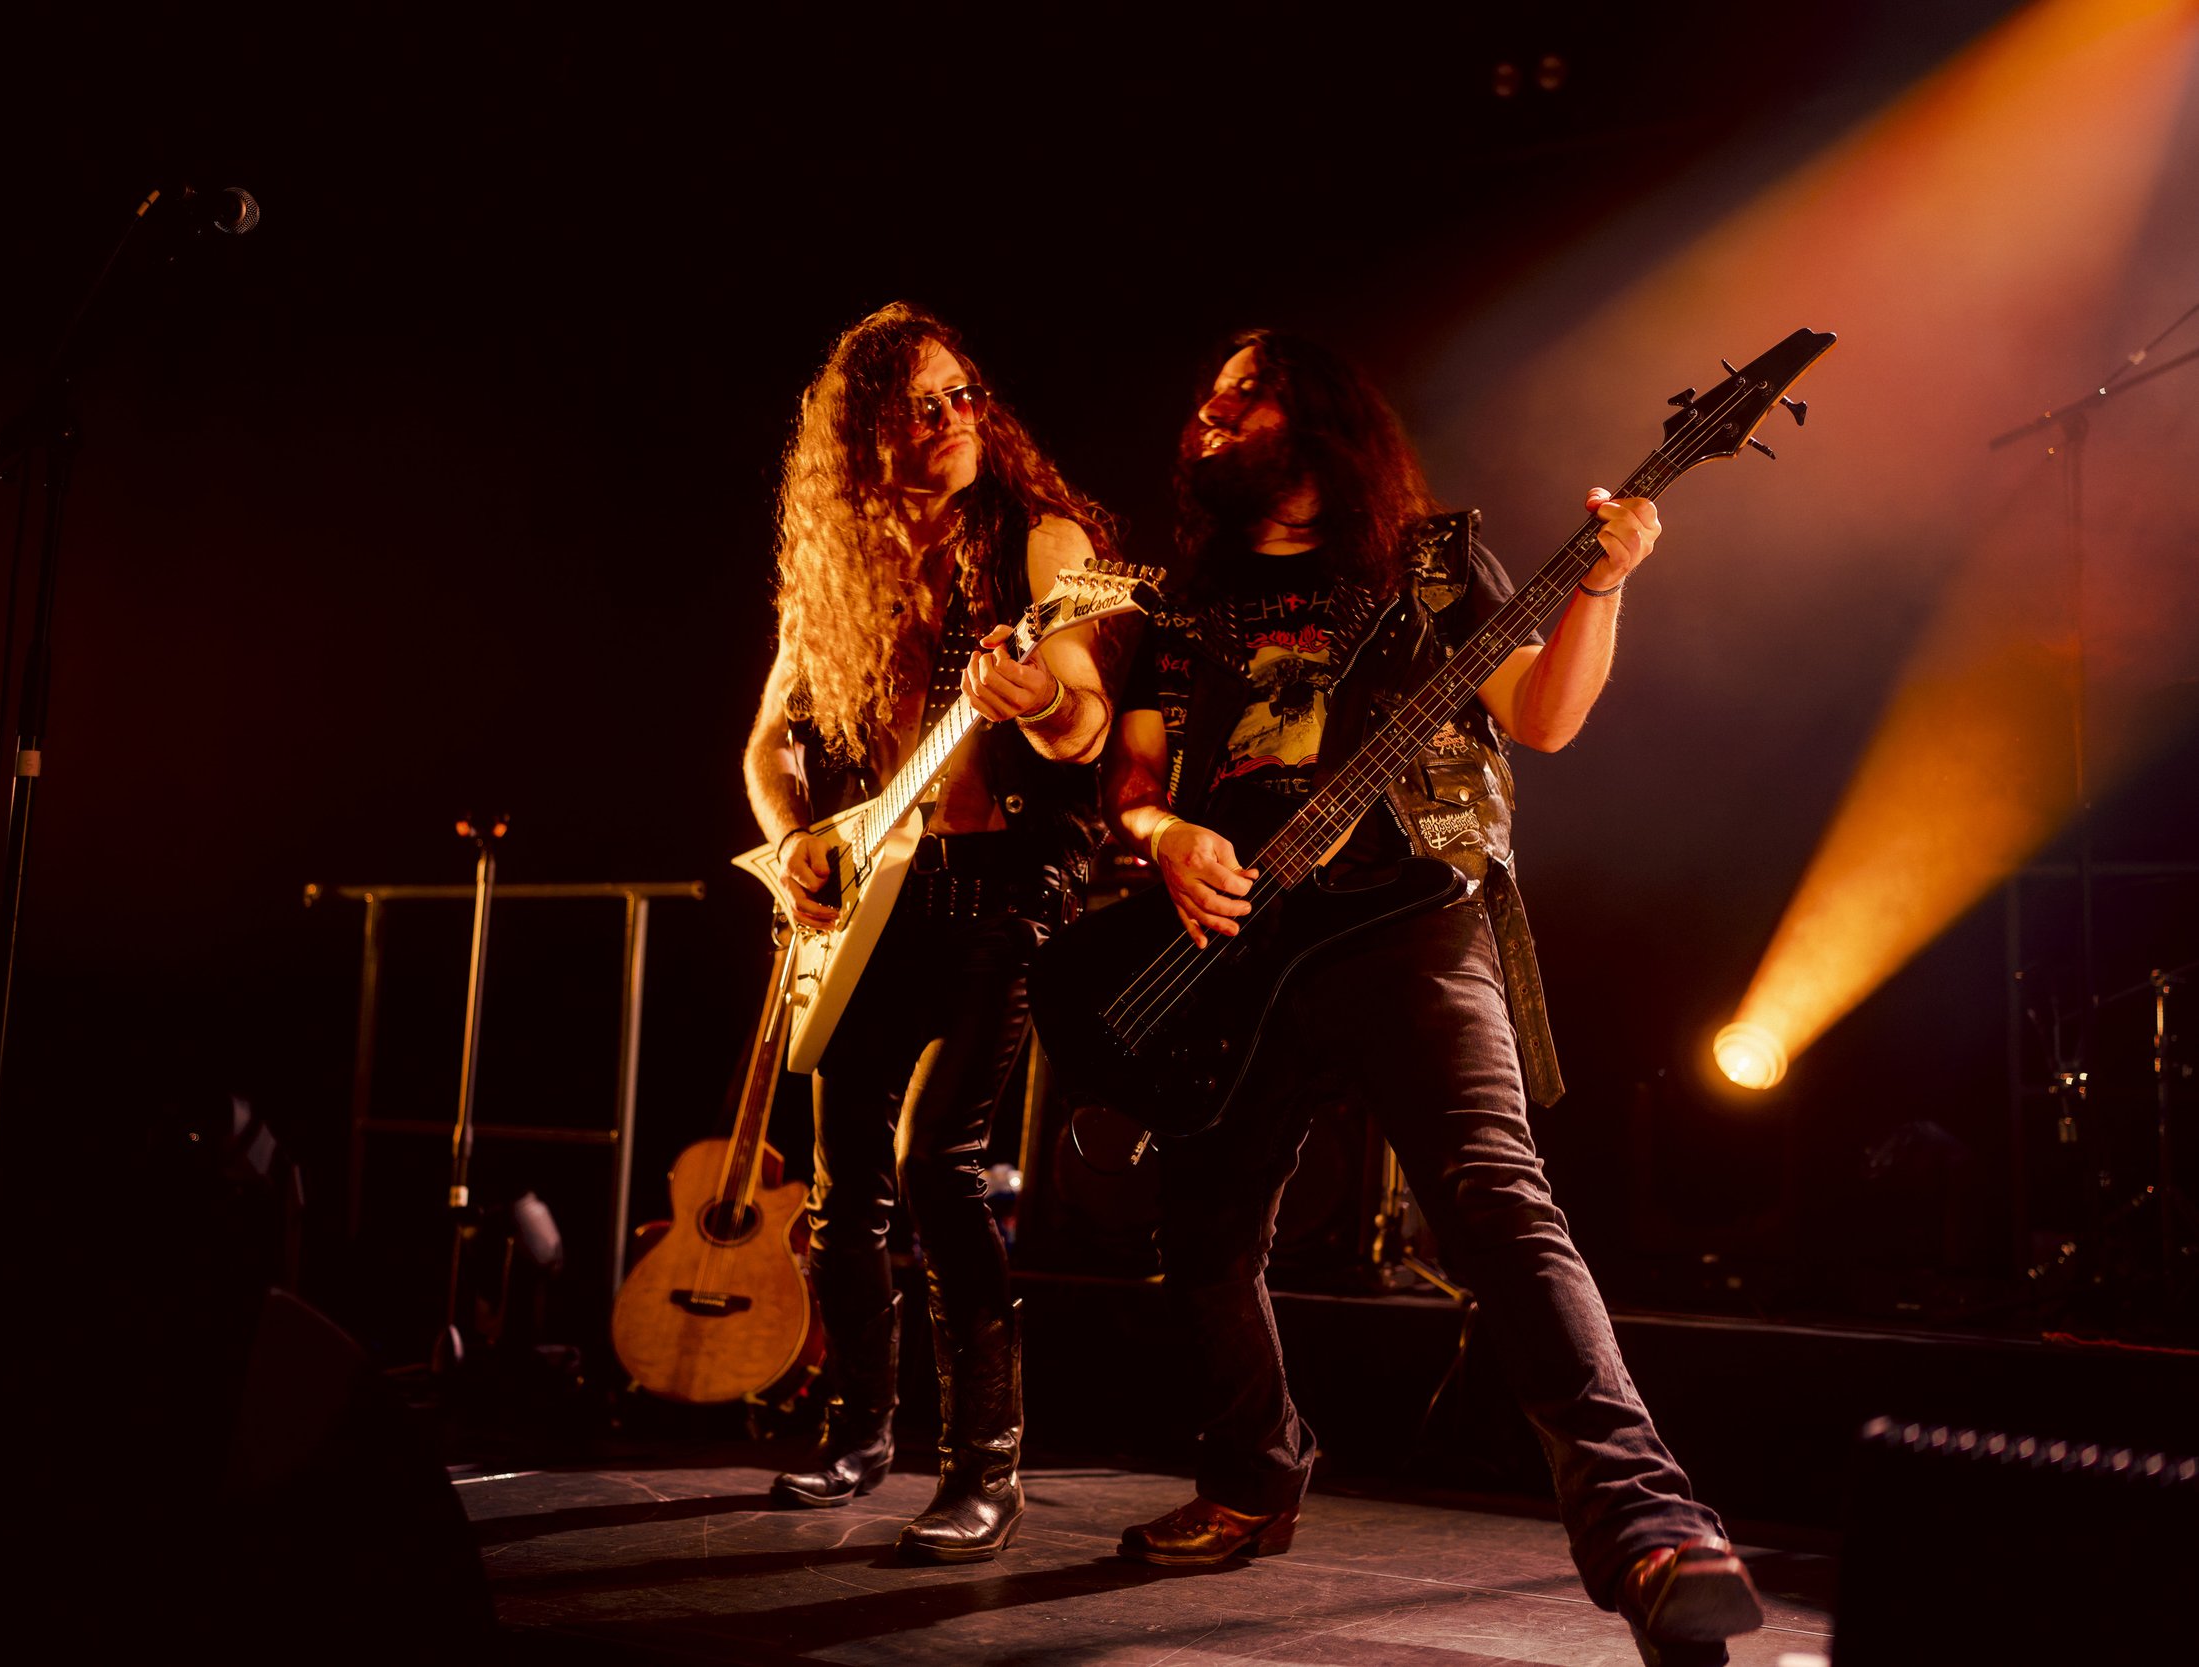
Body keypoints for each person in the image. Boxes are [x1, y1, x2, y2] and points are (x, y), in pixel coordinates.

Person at [1101, 330, 1764, 1666]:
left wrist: (1607, 588)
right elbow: (1133, 778)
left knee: (1494, 1191)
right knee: (1202, 1221)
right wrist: (1167, 836)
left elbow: (1546, 715)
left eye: (1246, 389)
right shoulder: (1180, 602)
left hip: (1414, 916)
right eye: (1205, 396)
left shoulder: (1437, 562)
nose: (1211, 411)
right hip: (1235, 939)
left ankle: (1651, 1523)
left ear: (1321, 413)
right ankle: (1253, 1468)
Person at [741, 303, 1118, 1562]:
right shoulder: (837, 559)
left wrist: (1045, 698)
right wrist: (796, 835)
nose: (955, 420)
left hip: (997, 886)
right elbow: (766, 744)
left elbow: (1086, 725)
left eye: (964, 395)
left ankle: (983, 1468)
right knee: (843, 1189)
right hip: (872, 895)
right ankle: (857, 1433)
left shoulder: (1039, 539)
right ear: (863, 437)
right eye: (922, 405)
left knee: (933, 1165)